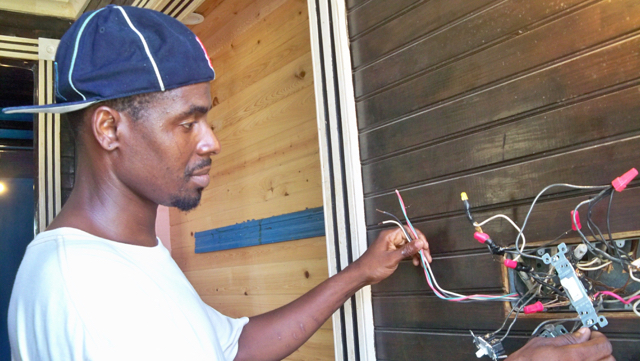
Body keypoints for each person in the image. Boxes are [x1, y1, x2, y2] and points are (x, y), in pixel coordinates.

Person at [3, 5, 614, 361]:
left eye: (207, 117)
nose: (211, 140)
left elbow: (234, 349)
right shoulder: (89, 296)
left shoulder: (123, 258)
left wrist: (358, 273)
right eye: (187, 122)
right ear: (109, 127)